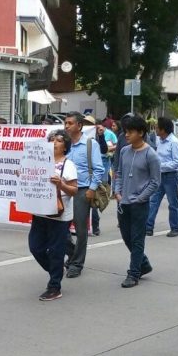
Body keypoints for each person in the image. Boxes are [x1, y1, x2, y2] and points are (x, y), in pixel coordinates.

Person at [28, 130, 77, 301]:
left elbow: (74, 190)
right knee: (35, 247)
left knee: (56, 250)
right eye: (51, 140)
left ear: (65, 147)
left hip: (58, 214)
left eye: (58, 140)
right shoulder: (39, 162)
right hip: (40, 211)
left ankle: (54, 286)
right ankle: (56, 270)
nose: (54, 142)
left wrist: (61, 184)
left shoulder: (67, 164)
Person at [113, 115, 159, 288]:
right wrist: (117, 191)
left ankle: (134, 273)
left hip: (139, 204)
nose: (126, 135)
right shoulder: (125, 151)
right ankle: (144, 263)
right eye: (126, 131)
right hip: (123, 202)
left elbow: (155, 182)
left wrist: (141, 198)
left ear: (141, 133)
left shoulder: (150, 154)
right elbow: (119, 172)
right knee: (127, 237)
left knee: (137, 238)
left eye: (130, 132)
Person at [63, 112, 105, 279]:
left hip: (82, 190)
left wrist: (91, 189)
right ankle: (72, 253)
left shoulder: (90, 144)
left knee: (80, 230)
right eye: (65, 123)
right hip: (64, 190)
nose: (66, 126)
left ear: (79, 126)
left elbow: (99, 169)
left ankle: (76, 264)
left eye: (70, 123)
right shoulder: (63, 144)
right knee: (60, 228)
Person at [146, 117, 178, 237]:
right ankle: (148, 227)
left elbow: (177, 161)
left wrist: (160, 166)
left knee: (172, 203)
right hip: (158, 176)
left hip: (170, 176)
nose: (155, 129)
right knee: (153, 201)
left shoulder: (174, 142)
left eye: (157, 127)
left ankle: (175, 228)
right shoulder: (159, 140)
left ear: (163, 129)